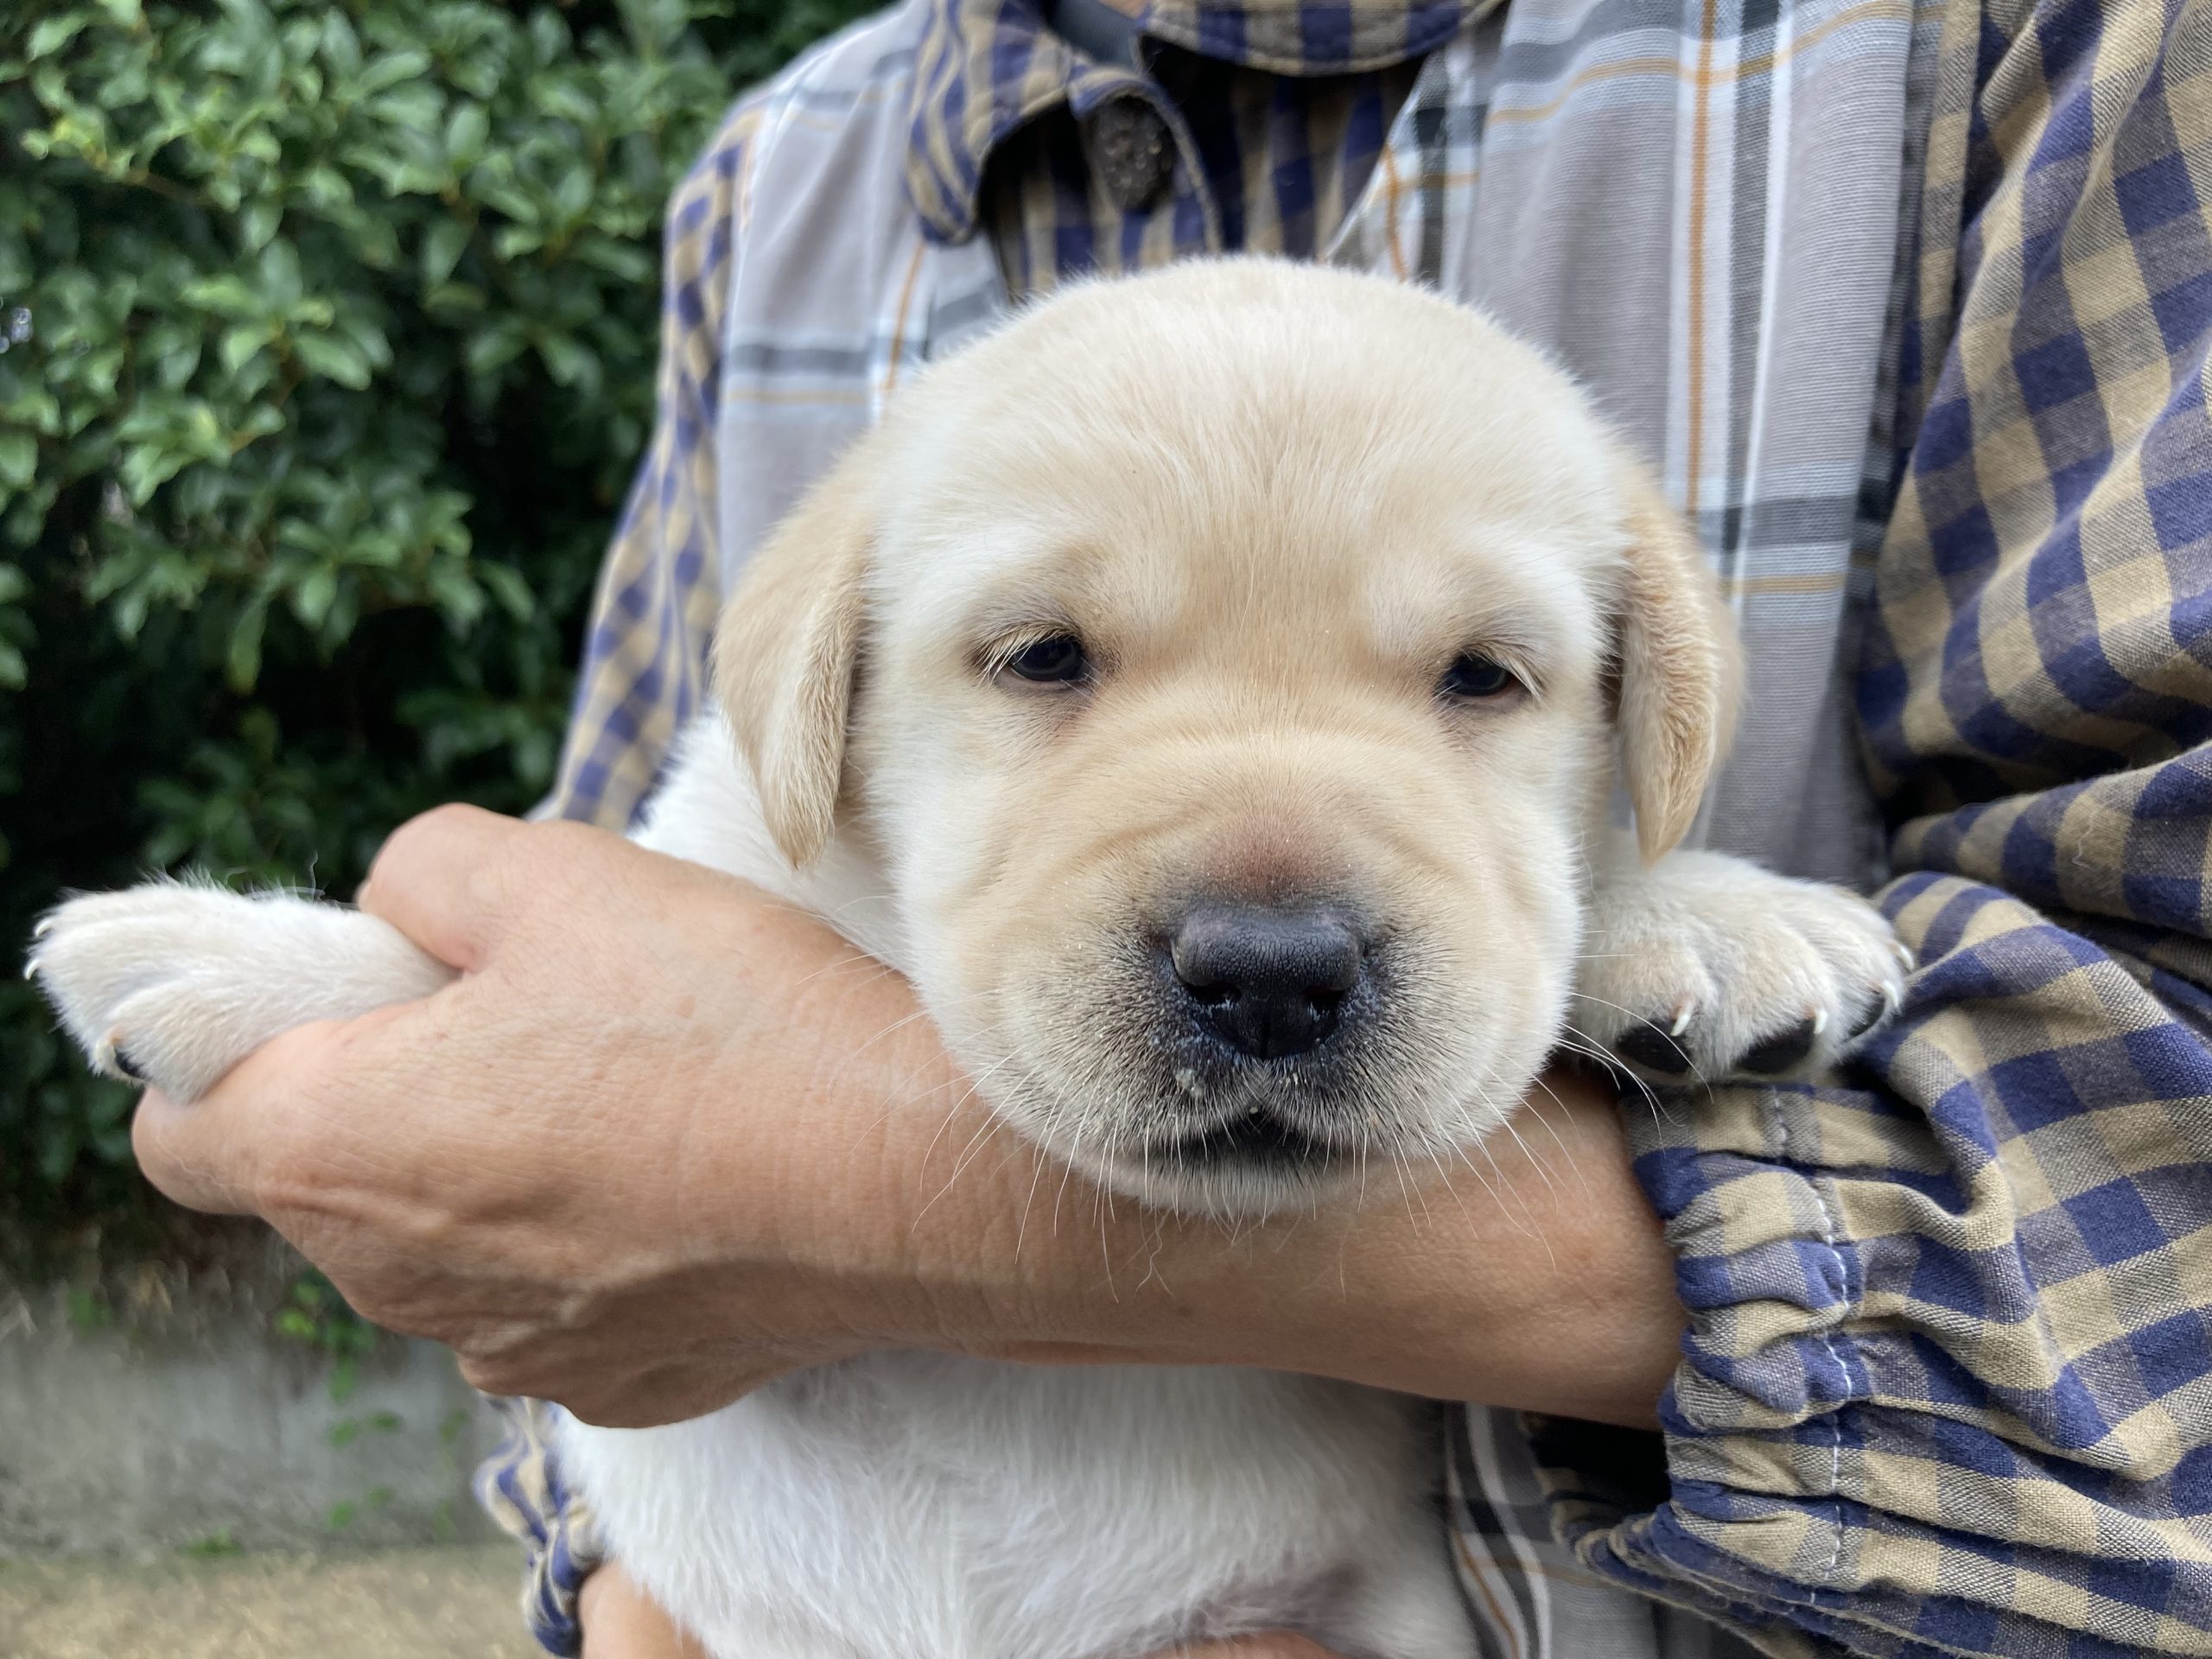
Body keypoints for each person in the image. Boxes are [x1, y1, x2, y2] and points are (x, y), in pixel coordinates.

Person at [124, 0, 2212, 1653]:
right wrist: (615, 1595)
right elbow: (569, 1084)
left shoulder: (2028, 48)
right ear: (823, 689)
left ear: (1645, 698)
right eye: (1046, 657)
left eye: (1476, 679)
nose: (1267, 920)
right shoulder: (780, 177)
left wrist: (1647, 902)